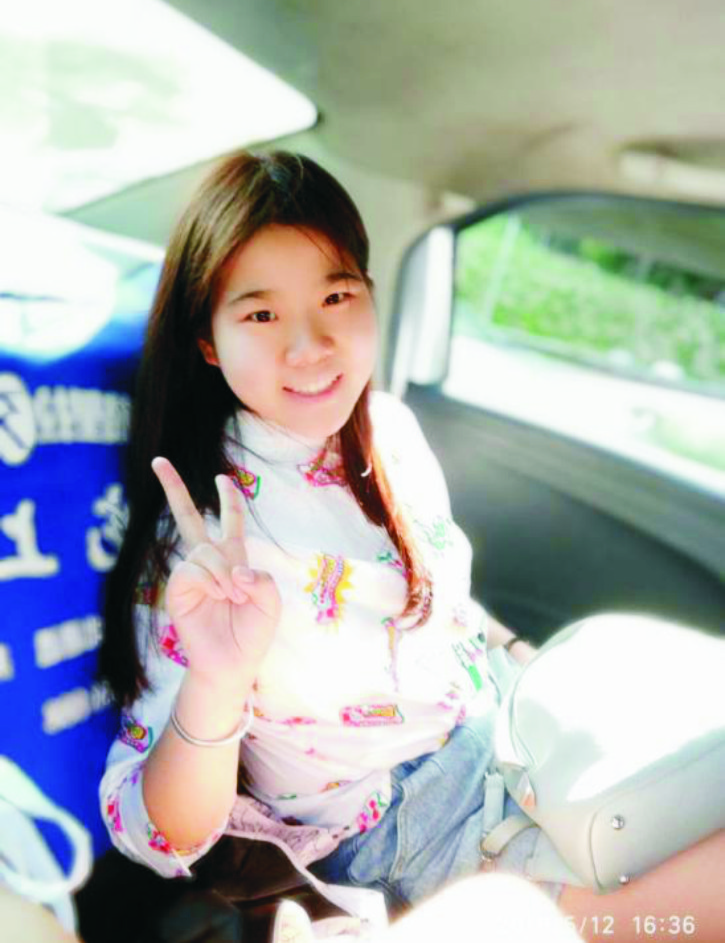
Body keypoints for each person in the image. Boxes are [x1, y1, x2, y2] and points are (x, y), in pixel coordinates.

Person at [98, 149, 724, 942]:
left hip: (505, 734)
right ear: (209, 341)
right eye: (260, 315)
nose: (310, 345)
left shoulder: (387, 429)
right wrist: (216, 680)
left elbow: (439, 604)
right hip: (414, 825)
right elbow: (162, 833)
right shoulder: (203, 550)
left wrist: (524, 656)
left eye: (335, 296)